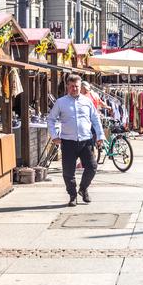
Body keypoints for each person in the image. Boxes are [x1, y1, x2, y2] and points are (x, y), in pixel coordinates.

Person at [48, 74, 105, 206]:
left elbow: (95, 119)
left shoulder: (87, 101)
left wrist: (100, 136)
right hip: (68, 142)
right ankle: (72, 195)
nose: (74, 89)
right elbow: (51, 119)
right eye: (72, 86)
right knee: (68, 171)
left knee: (92, 167)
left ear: (81, 87)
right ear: (68, 86)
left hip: (86, 141)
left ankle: (83, 188)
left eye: (77, 86)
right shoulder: (61, 102)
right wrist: (54, 135)